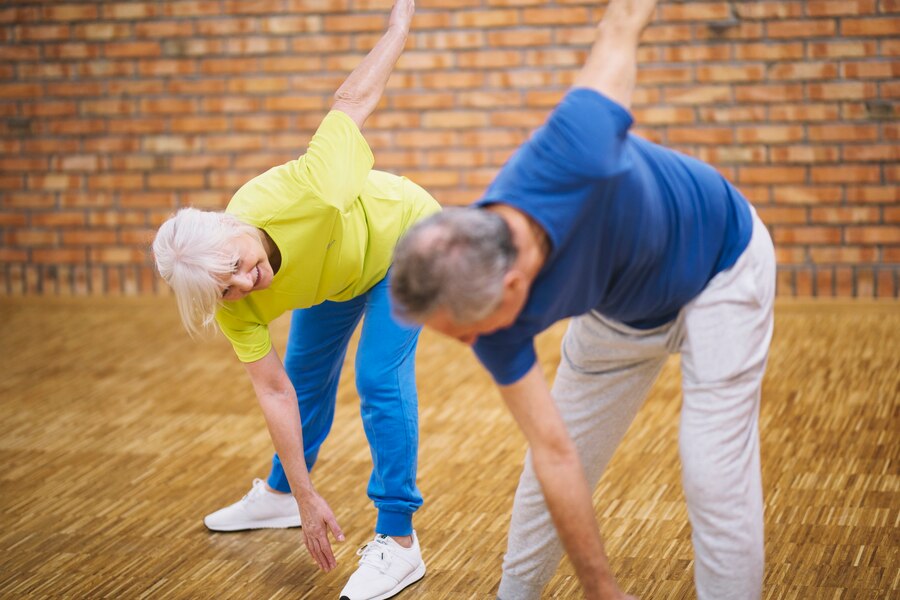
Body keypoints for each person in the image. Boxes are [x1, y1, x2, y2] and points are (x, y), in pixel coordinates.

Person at [390, 0, 775, 598]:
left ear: (512, 286)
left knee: (711, 475)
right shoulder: (492, 315)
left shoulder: (578, 145)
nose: (472, 344)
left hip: (723, 268)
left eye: (464, 331)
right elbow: (556, 455)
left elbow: (622, 20)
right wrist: (600, 587)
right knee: (548, 468)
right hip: (621, 309)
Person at [152, 2, 437, 599]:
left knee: (379, 376)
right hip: (337, 275)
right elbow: (273, 389)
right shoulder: (230, 300)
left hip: (406, 240)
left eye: (237, 266)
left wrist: (398, 29)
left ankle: (400, 542)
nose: (246, 285)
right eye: (226, 289)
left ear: (229, 225)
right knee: (303, 377)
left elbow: (351, 102)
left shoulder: (304, 188)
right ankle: (281, 495)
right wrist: (309, 499)